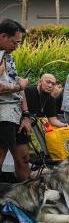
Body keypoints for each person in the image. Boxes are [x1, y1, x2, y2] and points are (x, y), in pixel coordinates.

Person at [0, 19, 32, 182]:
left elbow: (19, 84)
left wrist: (26, 115)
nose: (16, 46)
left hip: (17, 112)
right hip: (4, 114)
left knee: (24, 157)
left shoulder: (8, 56)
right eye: (15, 42)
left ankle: (27, 199)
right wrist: (17, 87)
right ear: (3, 36)